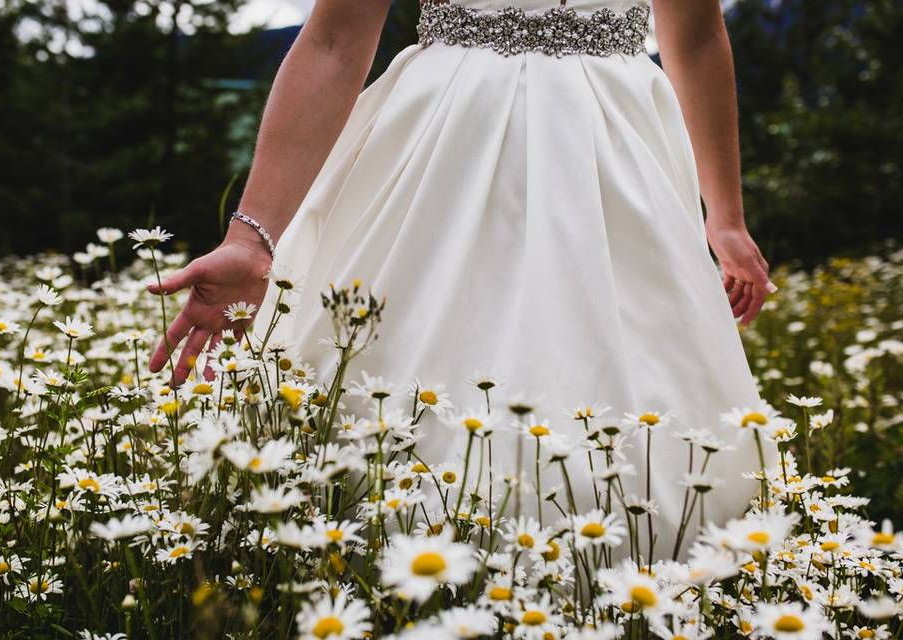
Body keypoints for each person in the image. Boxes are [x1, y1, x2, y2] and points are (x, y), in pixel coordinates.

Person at [147, 0, 775, 557]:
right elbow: (334, 40)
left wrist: (724, 217)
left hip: (617, 150)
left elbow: (693, 35)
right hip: (443, 143)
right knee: (383, 402)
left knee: (646, 415)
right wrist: (252, 239)